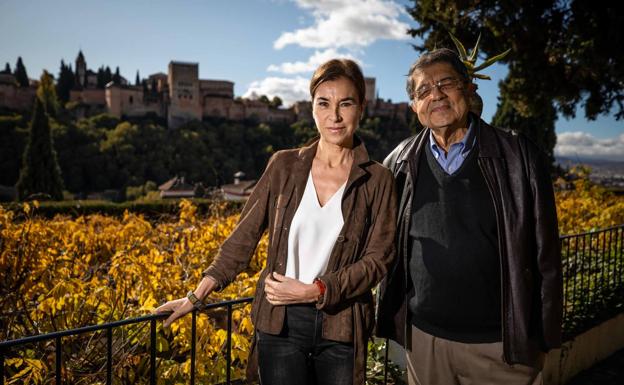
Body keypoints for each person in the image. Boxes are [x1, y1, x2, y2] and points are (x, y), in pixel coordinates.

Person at [156, 59, 396, 385]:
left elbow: (378, 260)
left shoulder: (378, 179)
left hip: (341, 324)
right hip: (279, 322)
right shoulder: (283, 166)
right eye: (323, 103)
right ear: (311, 108)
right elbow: (243, 238)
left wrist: (317, 290)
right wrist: (196, 297)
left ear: (362, 107)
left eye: (346, 103)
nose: (334, 116)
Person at [375, 48, 562, 385]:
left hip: (501, 348)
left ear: (469, 88)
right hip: (425, 343)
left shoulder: (519, 157)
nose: (436, 95)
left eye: (446, 83)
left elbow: (546, 256)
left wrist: (545, 338)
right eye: (423, 91)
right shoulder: (399, 163)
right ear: (414, 107)